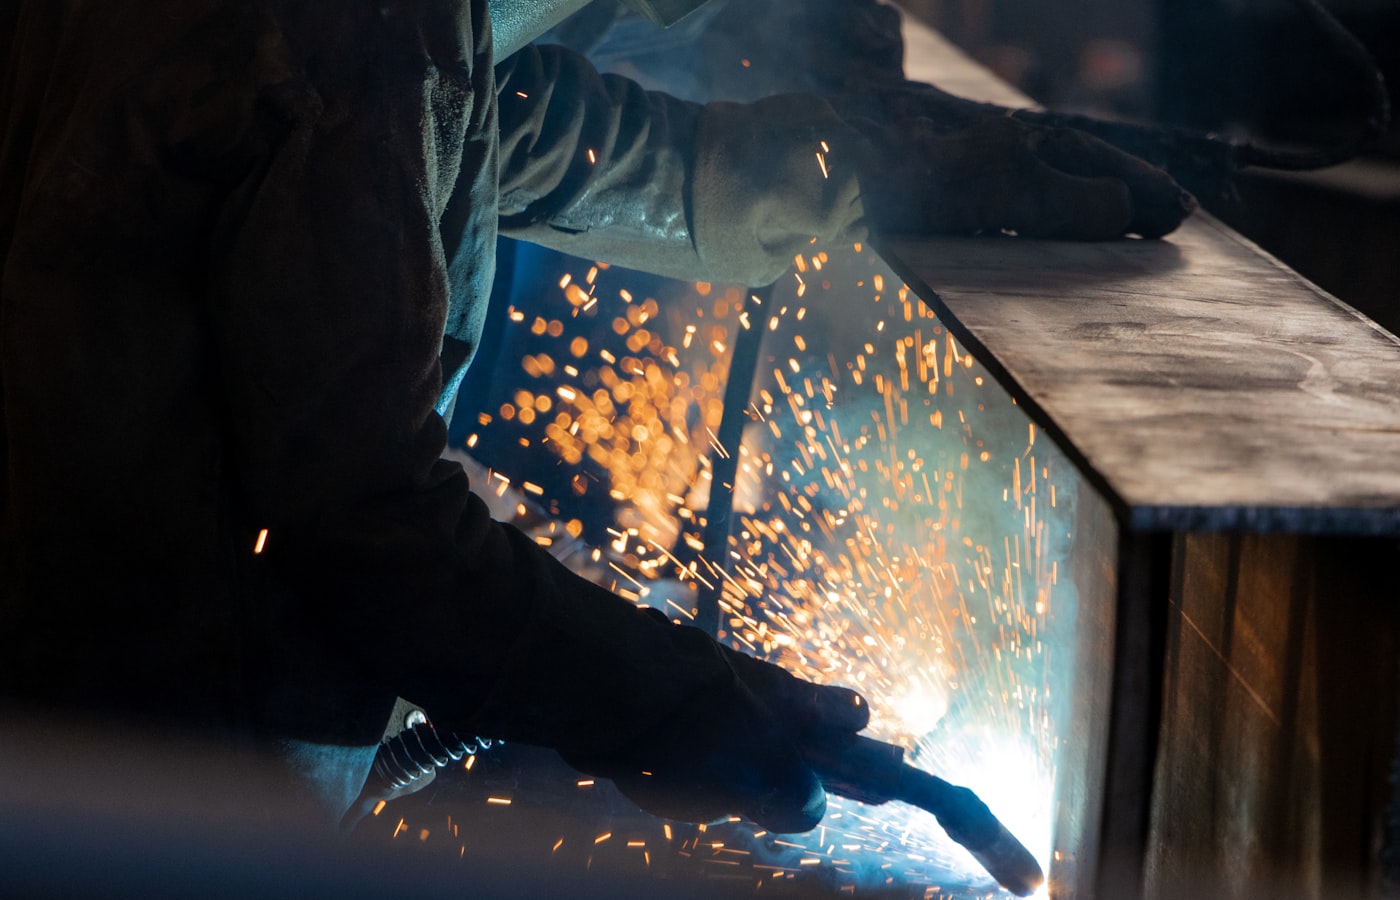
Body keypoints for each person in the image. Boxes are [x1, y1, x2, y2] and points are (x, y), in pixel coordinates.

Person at [0, 0, 1193, 832]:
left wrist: (826, 173)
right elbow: (361, 522)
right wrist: (672, 700)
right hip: (134, 772)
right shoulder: (352, 29)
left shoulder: (376, 40)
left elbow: (491, 127)